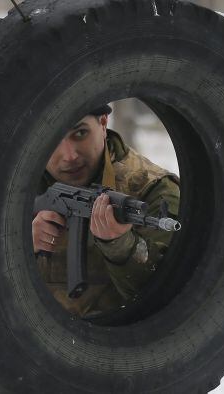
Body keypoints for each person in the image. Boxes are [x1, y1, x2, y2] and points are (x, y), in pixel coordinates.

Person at [33, 105, 180, 317]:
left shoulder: (156, 191)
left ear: (103, 123)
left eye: (80, 133)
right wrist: (17, 246)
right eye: (51, 141)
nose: (69, 155)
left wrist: (122, 246)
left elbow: (172, 303)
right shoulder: (13, 188)